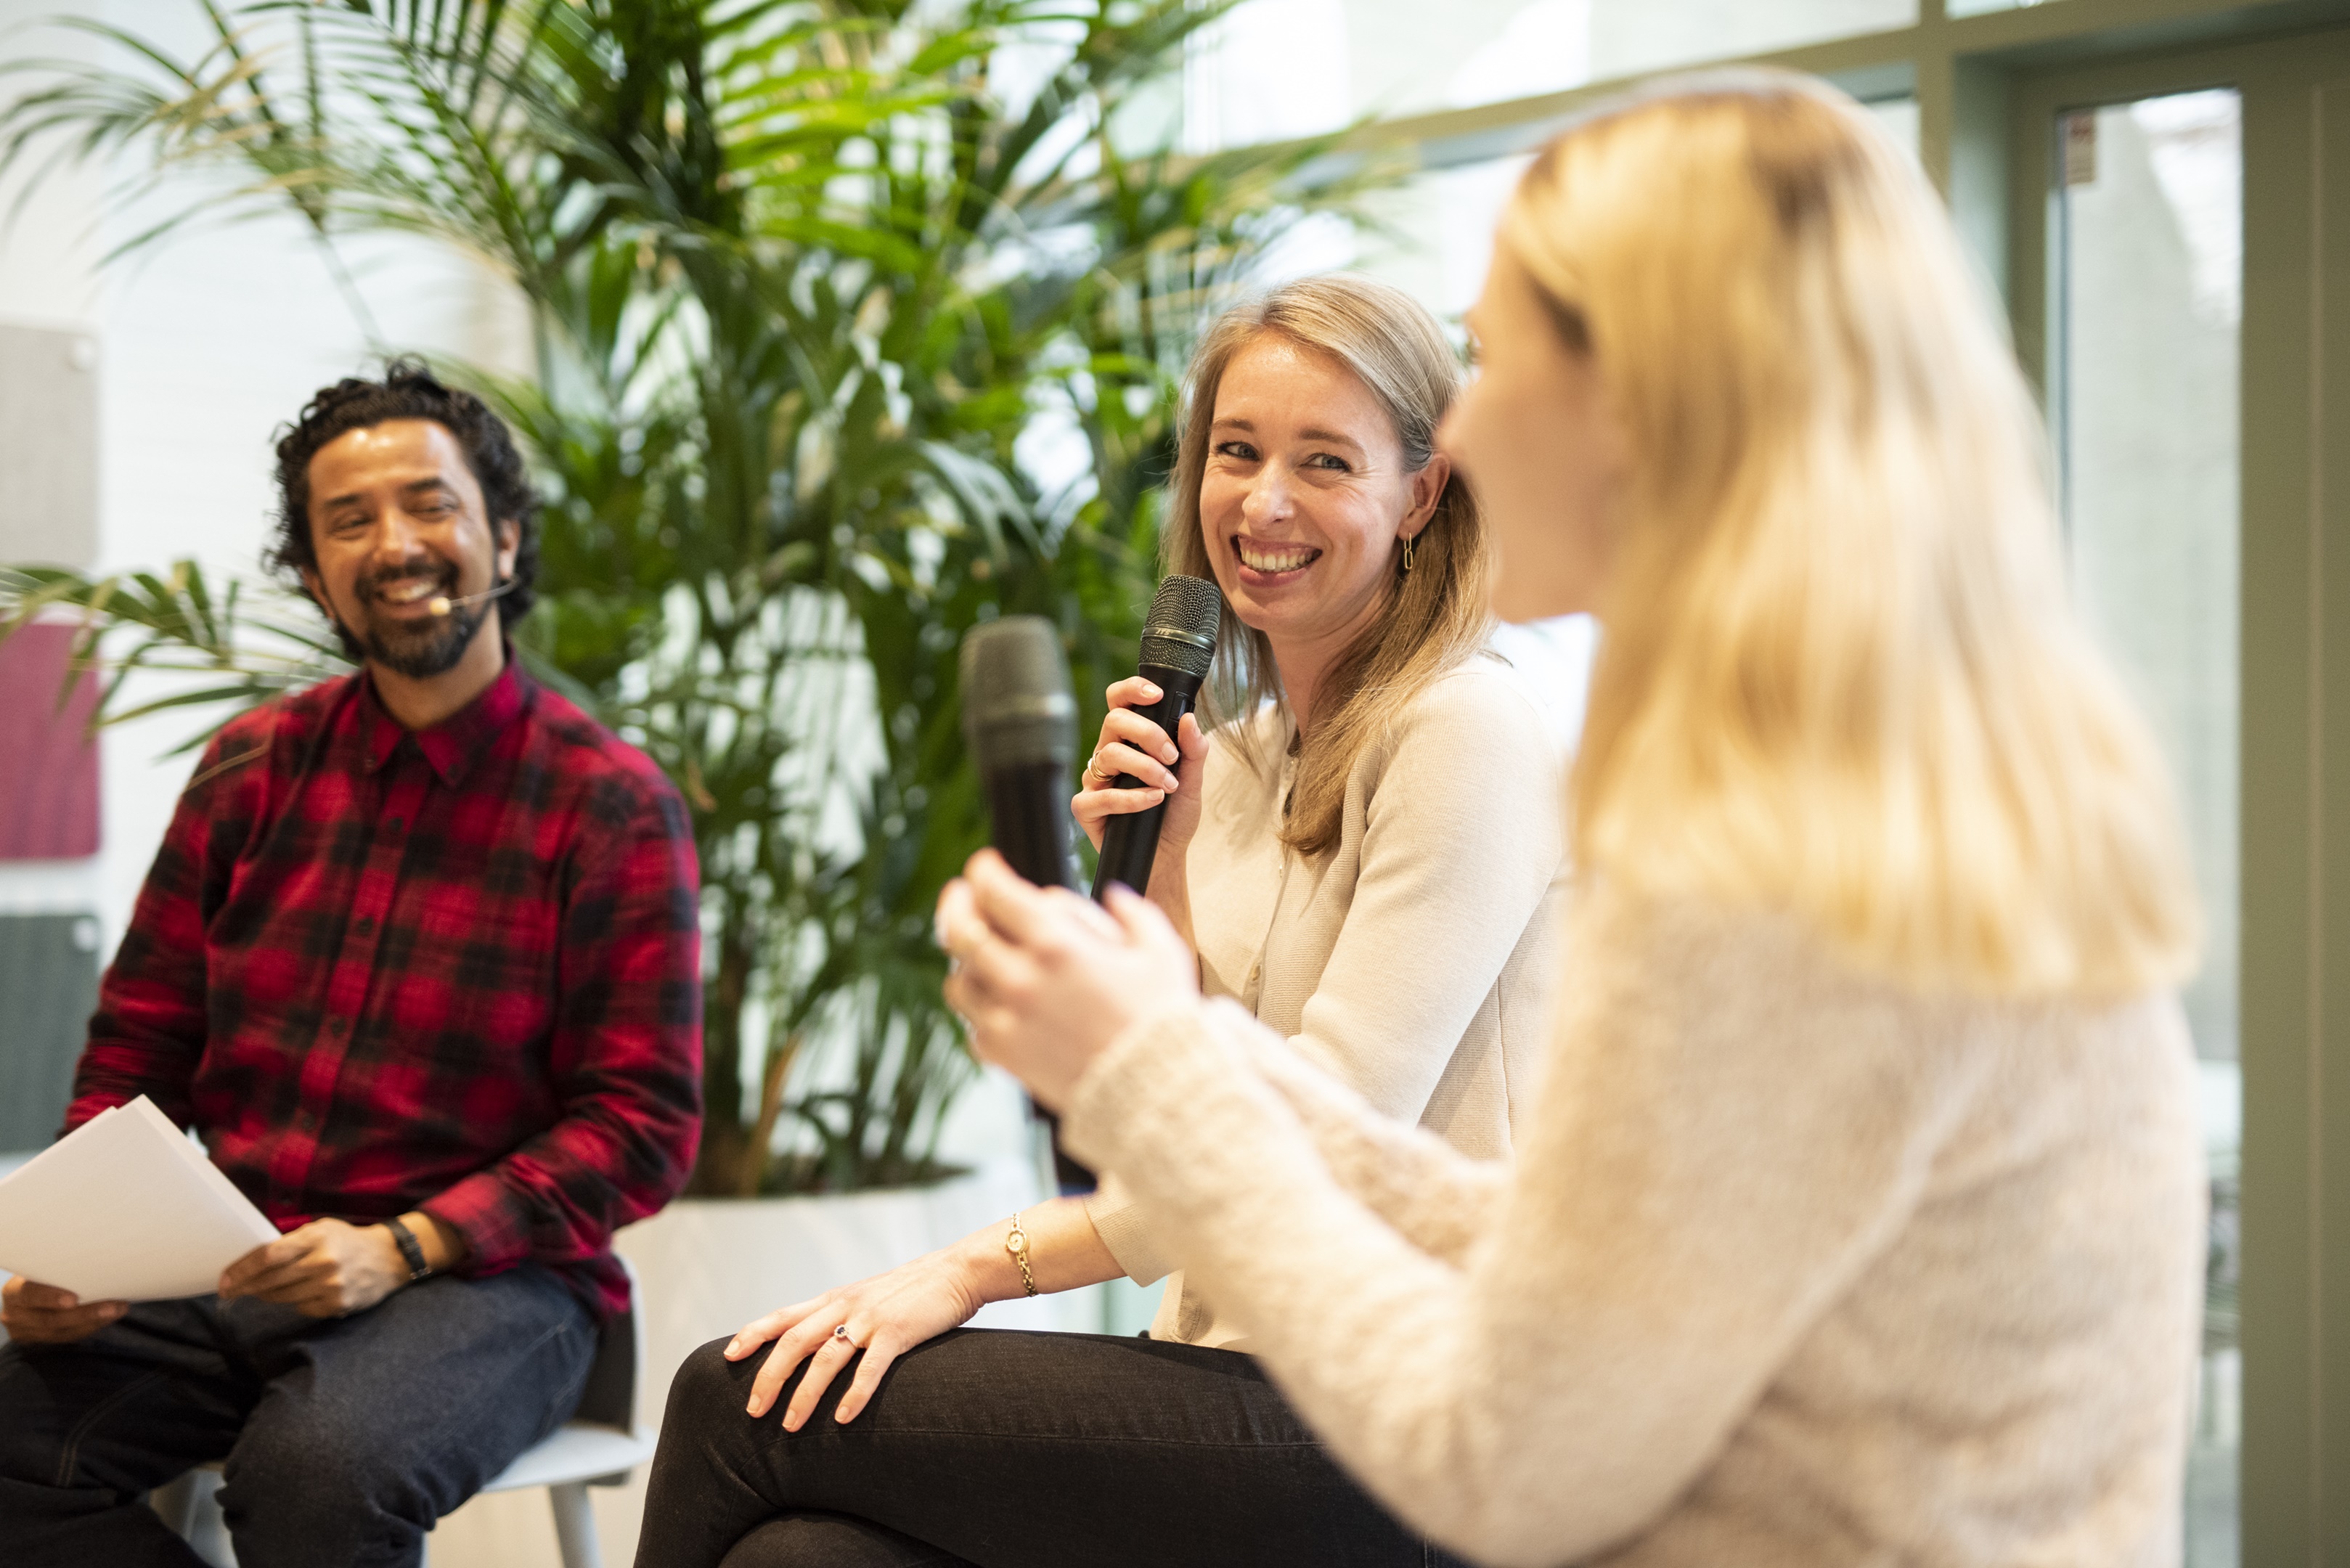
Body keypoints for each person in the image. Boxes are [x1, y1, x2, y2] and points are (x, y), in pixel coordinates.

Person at [933, 71, 2209, 1568]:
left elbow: (1509, 1458)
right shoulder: (1857, 794)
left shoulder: (1779, 865)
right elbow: (1572, 1260)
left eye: (1485, 363)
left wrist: (1150, 1077)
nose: (1457, 434)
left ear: (1643, 403)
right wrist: (1174, 1038)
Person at [636, 277, 1565, 1565]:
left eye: (1324, 461)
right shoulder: (1224, 759)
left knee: (733, 1401)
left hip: (1418, 1402)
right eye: (1234, 453)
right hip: (1227, 1362)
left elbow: (1312, 1140)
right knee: (801, 1560)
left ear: (1417, 496)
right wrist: (1164, 878)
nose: (1263, 502)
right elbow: (1162, 1117)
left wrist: (970, 1268)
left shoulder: (1467, 730)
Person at [0, 361, 703, 1568]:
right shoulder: (247, 770)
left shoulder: (610, 805)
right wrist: (79, 1256)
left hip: (494, 1287)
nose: (396, 543)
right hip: (231, 1258)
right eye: (349, 520)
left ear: (505, 539)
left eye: (431, 504)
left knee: (318, 1480)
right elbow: (136, 1056)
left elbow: (639, 1126)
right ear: (317, 575)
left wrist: (404, 1245)